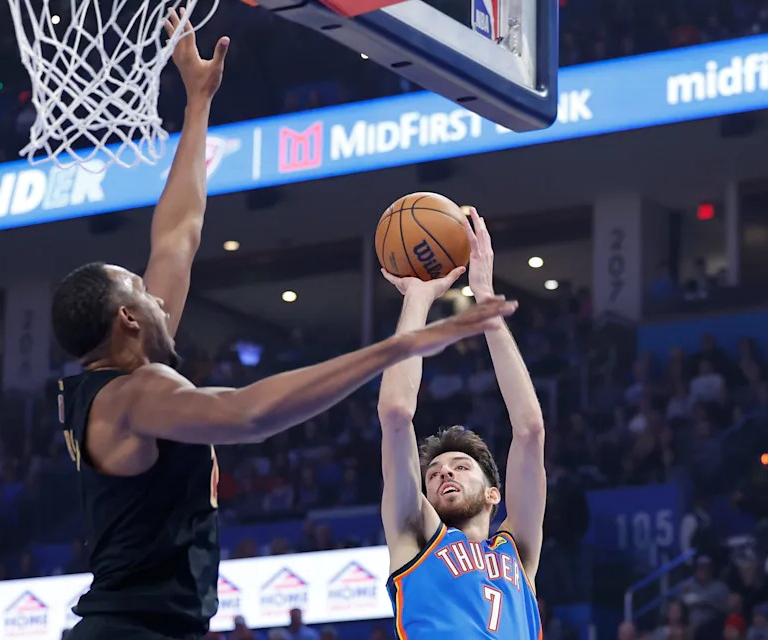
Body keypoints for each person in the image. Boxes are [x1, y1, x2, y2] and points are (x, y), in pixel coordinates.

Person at [52, 14, 519, 640]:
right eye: (141, 291)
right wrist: (403, 345)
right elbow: (248, 415)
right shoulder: (130, 397)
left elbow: (177, 237)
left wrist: (197, 104)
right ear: (127, 321)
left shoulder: (124, 367)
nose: (160, 295)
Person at [377, 207, 545, 639]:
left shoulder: (517, 552)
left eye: (459, 467)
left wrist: (487, 306)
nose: (444, 473)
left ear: (494, 494)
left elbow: (529, 430)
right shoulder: (415, 536)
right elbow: (396, 412)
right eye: (433, 473)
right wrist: (417, 298)